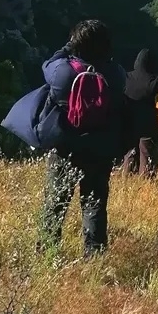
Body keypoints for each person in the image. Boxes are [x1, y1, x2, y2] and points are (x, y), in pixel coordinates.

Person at [39, 19, 127, 257]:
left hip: (65, 146)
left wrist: (67, 49)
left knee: (55, 202)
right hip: (100, 148)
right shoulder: (115, 74)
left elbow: (48, 65)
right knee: (95, 203)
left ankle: (47, 253)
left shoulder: (64, 72)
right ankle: (94, 257)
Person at [121, 48, 158, 178]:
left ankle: (126, 182)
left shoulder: (126, 77)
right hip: (148, 124)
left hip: (128, 122)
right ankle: (146, 185)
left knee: (129, 154)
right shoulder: (155, 81)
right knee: (147, 156)